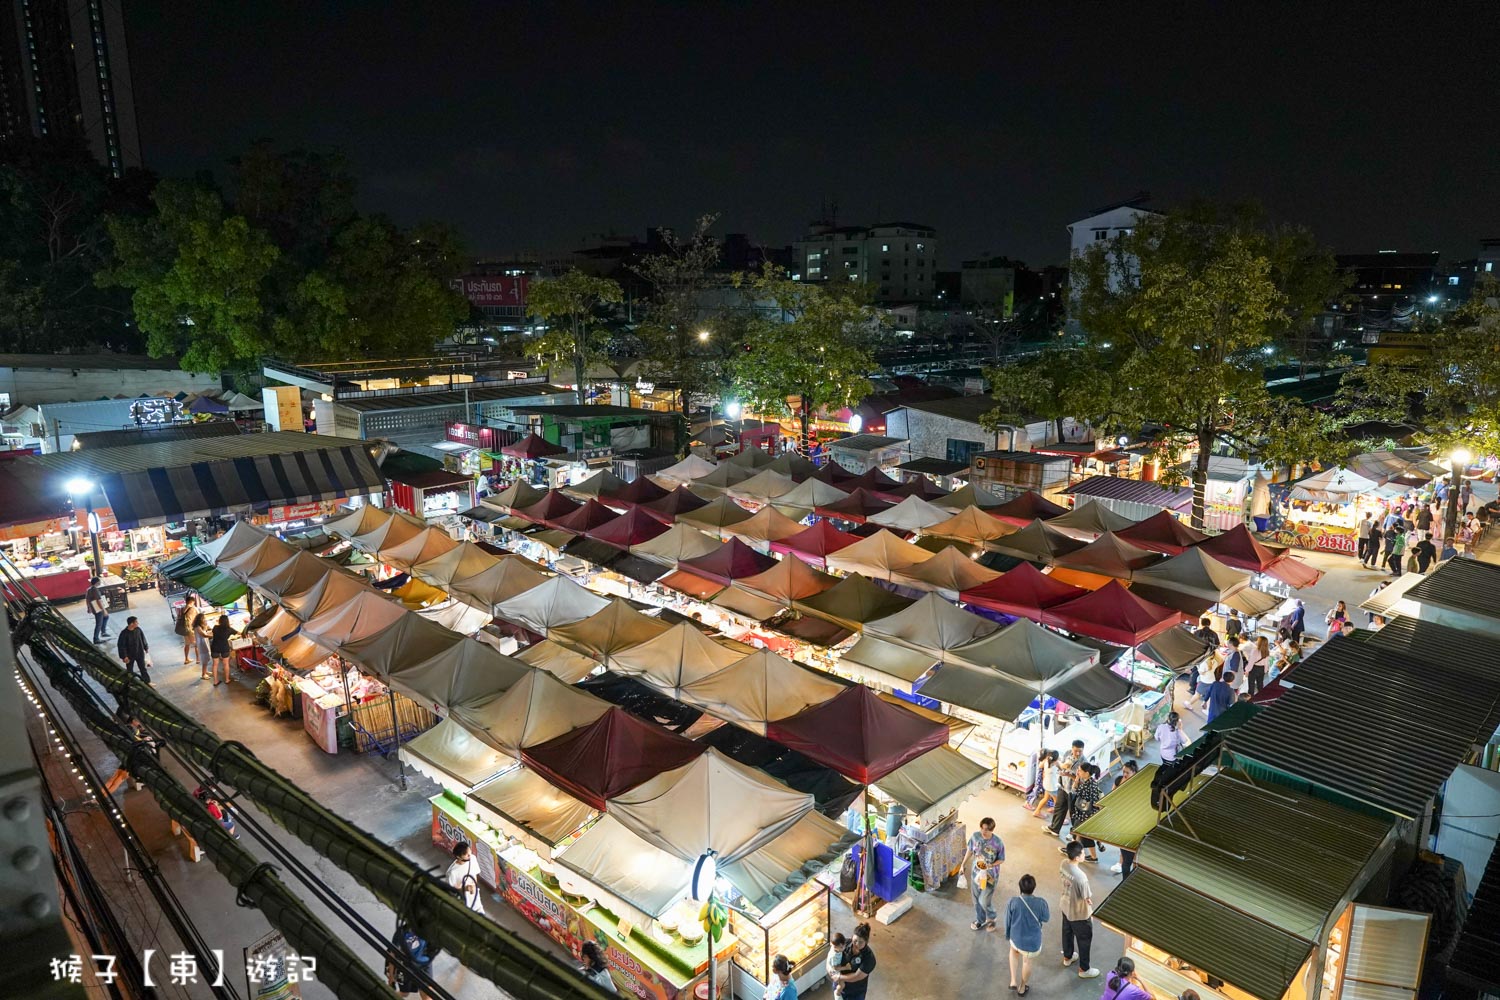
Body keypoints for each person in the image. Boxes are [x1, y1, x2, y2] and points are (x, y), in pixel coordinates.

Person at [1004, 874, 1050, 996]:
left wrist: (1008, 934)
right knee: (1026, 962)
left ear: (1020, 886)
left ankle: (1013, 980)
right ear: (1034, 887)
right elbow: (1046, 918)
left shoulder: (1013, 902)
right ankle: (1022, 987)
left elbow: (1007, 920)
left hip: (1016, 938)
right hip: (1032, 943)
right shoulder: (1041, 903)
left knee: (1013, 952)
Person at [1058, 842, 1099, 979]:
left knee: (1067, 932)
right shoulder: (1081, 877)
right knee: (1084, 939)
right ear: (1076, 857)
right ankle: (1084, 969)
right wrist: (1089, 903)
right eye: (1082, 853)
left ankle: (1067, 957)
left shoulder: (1064, 863)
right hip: (1079, 913)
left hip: (1065, 905)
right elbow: (1086, 897)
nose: (1084, 854)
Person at [962, 816, 1005, 929]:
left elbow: (1001, 859)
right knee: (976, 900)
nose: (983, 832)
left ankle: (992, 916)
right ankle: (980, 920)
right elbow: (970, 850)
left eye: (986, 829)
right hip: (976, 874)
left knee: (984, 900)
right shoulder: (975, 837)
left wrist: (991, 865)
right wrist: (962, 864)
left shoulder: (997, 843)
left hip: (990, 876)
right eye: (982, 828)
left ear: (992, 830)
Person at [102, 714, 151, 797]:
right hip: (131, 759)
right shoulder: (131, 729)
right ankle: (99, 798)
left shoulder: (132, 729)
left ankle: (101, 798)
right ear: (133, 721)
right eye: (137, 721)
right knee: (115, 779)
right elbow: (135, 739)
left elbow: (137, 739)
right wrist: (143, 739)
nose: (139, 723)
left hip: (131, 759)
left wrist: (142, 738)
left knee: (116, 780)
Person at [387, 923, 437, 999]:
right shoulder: (401, 932)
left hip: (424, 963)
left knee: (427, 994)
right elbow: (393, 954)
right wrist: (391, 975)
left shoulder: (427, 930)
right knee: (404, 993)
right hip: (405, 966)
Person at [1066, 764, 1104, 862]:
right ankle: (1074, 852)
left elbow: (1074, 790)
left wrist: (1076, 780)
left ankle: (1088, 856)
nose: (1078, 772)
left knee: (1082, 835)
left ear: (1086, 773)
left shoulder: (1087, 785)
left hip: (1085, 815)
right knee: (1078, 834)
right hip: (1088, 814)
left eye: (1079, 771)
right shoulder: (1091, 782)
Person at [1049, 741, 1087, 837]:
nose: (1078, 753)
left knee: (1074, 814)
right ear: (1072, 748)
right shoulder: (1067, 753)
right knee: (1059, 808)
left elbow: (1082, 781)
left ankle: (1074, 835)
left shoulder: (1084, 763)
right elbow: (1063, 766)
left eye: (1080, 751)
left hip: (1074, 792)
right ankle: (1054, 829)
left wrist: (1068, 774)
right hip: (1063, 787)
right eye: (1075, 751)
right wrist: (1059, 768)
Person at [1110, 761, 1140, 875]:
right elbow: (1111, 796)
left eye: (1127, 772)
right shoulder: (1119, 780)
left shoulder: (1137, 784)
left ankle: (1130, 864)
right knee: (1122, 843)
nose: (1125, 774)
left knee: (1132, 847)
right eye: (1123, 772)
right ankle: (1122, 862)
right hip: (1120, 816)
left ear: (1134, 772)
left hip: (1132, 817)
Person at [832, 923, 875, 1000]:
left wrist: (838, 977)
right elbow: (832, 952)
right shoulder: (845, 944)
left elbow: (856, 976)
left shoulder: (869, 959)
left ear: (866, 942)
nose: (857, 944)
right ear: (852, 937)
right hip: (839, 985)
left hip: (855, 992)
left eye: (861, 942)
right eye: (855, 940)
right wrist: (830, 969)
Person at [445, 840, 485, 915]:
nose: (470, 856)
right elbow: (451, 890)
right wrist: (466, 888)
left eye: (470, 853)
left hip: (475, 897)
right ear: (458, 857)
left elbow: (475, 873)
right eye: (467, 855)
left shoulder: (472, 859)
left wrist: (474, 886)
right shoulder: (452, 873)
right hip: (463, 902)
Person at [117, 616, 151, 685]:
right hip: (129, 655)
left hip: (139, 653)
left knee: (143, 668)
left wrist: (146, 647)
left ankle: (147, 681)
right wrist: (124, 656)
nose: (138, 623)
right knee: (130, 670)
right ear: (131, 624)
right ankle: (130, 683)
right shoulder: (124, 634)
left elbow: (143, 638)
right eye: (136, 622)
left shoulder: (138, 630)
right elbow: (121, 646)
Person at [1032, 751, 1061, 818]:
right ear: (1056, 758)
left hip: (1046, 784)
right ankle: (1059, 818)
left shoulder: (1046, 761)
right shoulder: (1056, 763)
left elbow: (1040, 766)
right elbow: (1063, 768)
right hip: (1052, 787)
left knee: (1046, 798)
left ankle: (1037, 811)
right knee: (1058, 803)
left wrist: (1046, 759)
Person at [210, 614, 234, 687]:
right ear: (227, 621)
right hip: (224, 647)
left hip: (215, 647)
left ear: (219, 621)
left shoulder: (215, 627)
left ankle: (215, 681)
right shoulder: (229, 629)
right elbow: (240, 633)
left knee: (215, 664)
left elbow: (214, 633)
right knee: (226, 664)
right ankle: (227, 680)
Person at [85, 575, 110, 644]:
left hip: (93, 608)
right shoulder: (95, 590)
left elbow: (87, 599)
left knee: (106, 617)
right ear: (97, 582)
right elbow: (98, 601)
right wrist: (104, 610)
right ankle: (96, 638)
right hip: (97, 608)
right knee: (99, 623)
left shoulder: (89, 589)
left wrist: (89, 608)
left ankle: (103, 631)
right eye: (99, 581)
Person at [176, 595, 200, 665]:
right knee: (196, 644)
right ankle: (198, 659)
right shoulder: (194, 609)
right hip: (191, 629)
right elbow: (199, 617)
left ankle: (186, 659)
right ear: (192, 602)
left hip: (184, 629)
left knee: (187, 644)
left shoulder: (182, 608)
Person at [195, 611, 214, 680]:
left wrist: (206, 625)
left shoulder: (201, 626)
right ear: (200, 620)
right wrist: (212, 635)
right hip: (202, 644)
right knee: (204, 659)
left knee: (206, 657)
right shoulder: (197, 627)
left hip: (204, 643)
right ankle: (203, 674)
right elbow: (204, 635)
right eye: (204, 618)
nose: (205, 619)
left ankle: (205, 671)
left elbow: (205, 631)